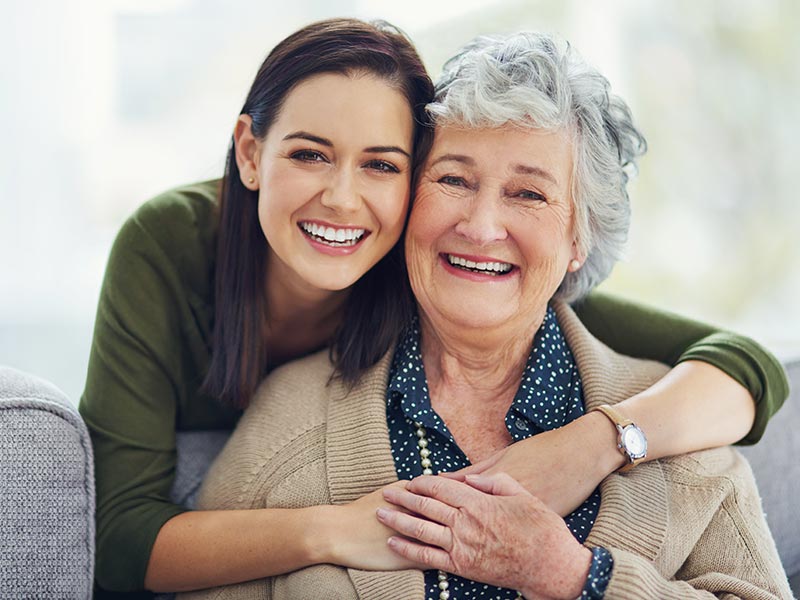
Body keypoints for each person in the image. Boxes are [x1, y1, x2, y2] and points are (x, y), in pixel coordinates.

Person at [78, 18, 788, 598]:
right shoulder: (204, 282)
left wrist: (581, 556)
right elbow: (119, 539)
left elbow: (747, 363)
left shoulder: (681, 445)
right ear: (251, 152)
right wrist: (336, 529)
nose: (344, 199)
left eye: (530, 193)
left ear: (581, 238)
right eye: (454, 179)